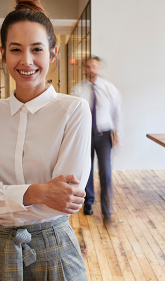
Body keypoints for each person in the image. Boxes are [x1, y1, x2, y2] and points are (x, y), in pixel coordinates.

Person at [0, 0, 91, 280]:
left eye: (37, 49)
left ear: (53, 54)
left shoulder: (73, 110)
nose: (26, 61)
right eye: (16, 50)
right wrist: (38, 192)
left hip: (54, 246)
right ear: (3, 54)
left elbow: (66, 199)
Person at [71, 57, 122, 222]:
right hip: (85, 135)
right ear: (85, 69)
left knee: (106, 172)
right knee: (87, 170)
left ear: (99, 69)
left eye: (95, 67)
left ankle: (107, 209)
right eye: (89, 67)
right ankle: (89, 202)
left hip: (104, 135)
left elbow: (116, 112)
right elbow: (73, 115)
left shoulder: (109, 89)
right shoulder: (78, 90)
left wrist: (117, 133)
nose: (92, 69)